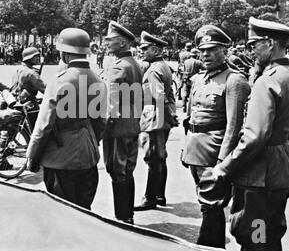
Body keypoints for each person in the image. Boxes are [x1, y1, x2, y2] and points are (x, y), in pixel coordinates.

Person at [213, 17, 289, 251]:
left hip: (259, 179)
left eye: (255, 44)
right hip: (280, 171)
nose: (250, 49)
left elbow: (255, 135)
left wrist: (225, 167)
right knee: (270, 236)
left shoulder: (267, 81)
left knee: (255, 239)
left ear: (270, 43)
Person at [181, 25, 251, 249]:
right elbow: (191, 118)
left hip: (214, 153)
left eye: (212, 49)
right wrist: (186, 148)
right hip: (195, 150)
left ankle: (208, 247)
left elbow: (233, 125)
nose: (205, 55)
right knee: (205, 204)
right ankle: (213, 246)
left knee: (212, 204)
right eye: (202, 50)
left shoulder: (234, 81)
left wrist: (222, 161)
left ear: (224, 50)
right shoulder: (198, 79)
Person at [26, 28, 107, 210]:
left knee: (62, 214)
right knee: (85, 212)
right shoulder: (98, 81)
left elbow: (44, 125)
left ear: (64, 52)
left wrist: (33, 156)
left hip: (60, 159)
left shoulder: (61, 80)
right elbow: (101, 122)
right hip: (88, 157)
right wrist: (91, 141)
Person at [103, 21, 143, 224]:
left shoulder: (117, 67)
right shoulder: (134, 64)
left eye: (111, 40)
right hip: (132, 125)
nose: (107, 42)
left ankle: (122, 217)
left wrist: (104, 130)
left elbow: (112, 105)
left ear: (123, 42)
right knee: (127, 171)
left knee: (117, 172)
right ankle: (128, 215)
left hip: (117, 129)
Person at [133, 31, 178, 211]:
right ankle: (160, 195)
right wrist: (172, 114)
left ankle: (150, 198)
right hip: (162, 117)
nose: (142, 51)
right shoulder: (164, 66)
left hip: (154, 117)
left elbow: (160, 95)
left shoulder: (152, 70)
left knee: (153, 159)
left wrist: (164, 115)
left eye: (145, 48)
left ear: (155, 49)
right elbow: (170, 94)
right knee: (161, 157)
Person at [180, 48, 205, 112]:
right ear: (196, 55)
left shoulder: (186, 61)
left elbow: (184, 70)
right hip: (195, 80)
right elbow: (205, 69)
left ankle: (183, 106)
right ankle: (192, 108)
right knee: (194, 94)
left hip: (186, 79)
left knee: (185, 93)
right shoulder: (198, 62)